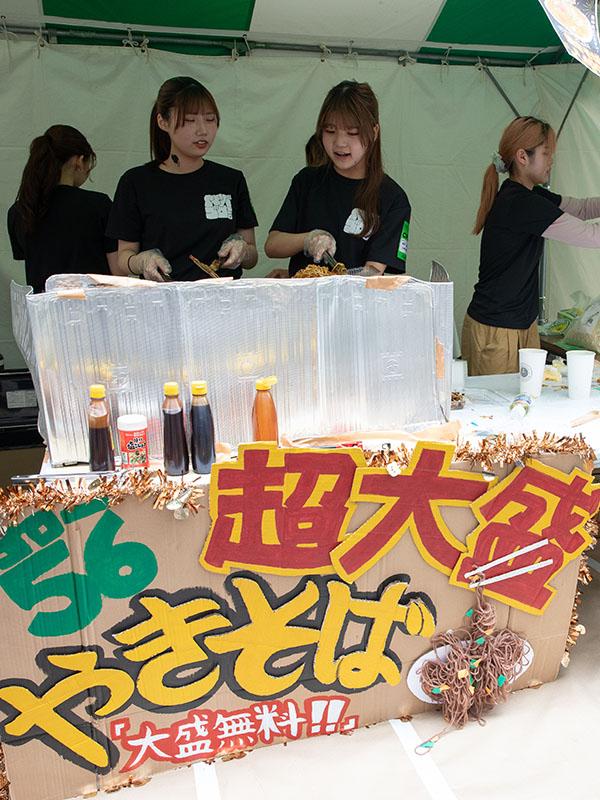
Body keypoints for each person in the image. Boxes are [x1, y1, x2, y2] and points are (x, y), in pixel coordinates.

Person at [463, 115, 600, 376]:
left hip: (520, 324)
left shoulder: (530, 195)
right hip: (496, 329)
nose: (551, 161)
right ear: (522, 157)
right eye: (546, 153)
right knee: (497, 402)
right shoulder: (520, 203)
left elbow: (582, 208)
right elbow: (591, 235)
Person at [107, 76, 258, 282]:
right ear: (163, 122)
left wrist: (243, 251)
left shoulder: (231, 180)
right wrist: (141, 261)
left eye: (210, 119)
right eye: (189, 120)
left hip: (222, 294)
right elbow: (123, 256)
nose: (202, 130)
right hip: (162, 294)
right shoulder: (136, 182)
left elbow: (252, 255)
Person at [264, 80, 411, 277]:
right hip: (301, 294)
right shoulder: (306, 181)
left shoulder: (393, 198)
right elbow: (272, 244)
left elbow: (373, 272)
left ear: (374, 132)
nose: (340, 143)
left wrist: (331, 281)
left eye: (353, 132)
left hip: (355, 296)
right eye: (330, 131)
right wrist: (309, 239)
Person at [7, 125, 117, 293]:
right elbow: (117, 271)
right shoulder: (99, 205)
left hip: (43, 307)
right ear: (79, 161)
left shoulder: (20, 211)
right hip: (94, 306)